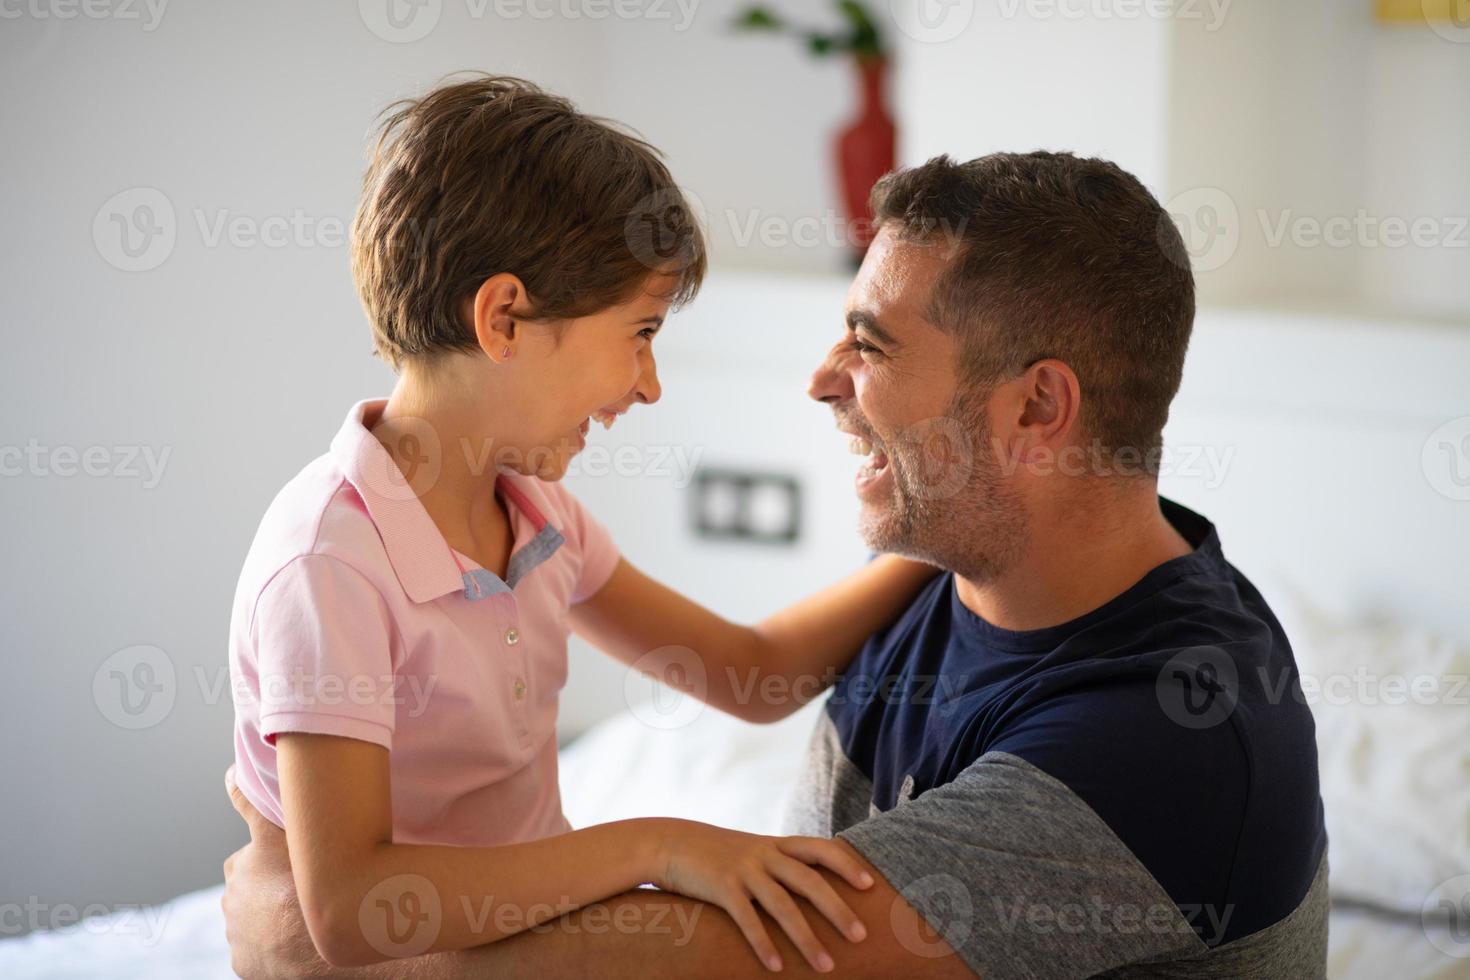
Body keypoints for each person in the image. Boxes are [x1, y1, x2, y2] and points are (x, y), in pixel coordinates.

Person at [223, 150, 1329, 979]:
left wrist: (309, 942)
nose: (821, 379)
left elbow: (730, 951)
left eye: (871, 343)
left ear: (1038, 406)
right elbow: (756, 680)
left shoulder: (1168, 738)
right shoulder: (950, 571)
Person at [226, 72, 939, 975]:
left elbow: (749, 675)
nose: (649, 384)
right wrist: (655, 847)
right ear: (504, 319)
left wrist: (931, 544)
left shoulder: (539, 517)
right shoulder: (330, 563)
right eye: (639, 333)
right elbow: (354, 909)